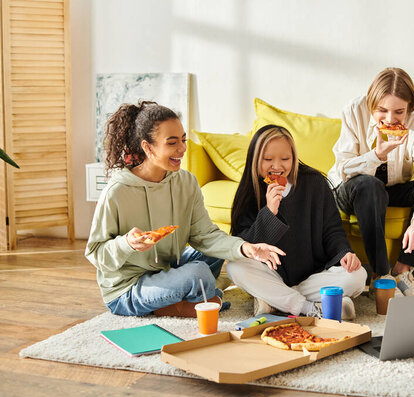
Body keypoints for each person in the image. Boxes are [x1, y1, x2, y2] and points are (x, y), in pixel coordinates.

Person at [85, 101, 284, 317]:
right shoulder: (117, 192)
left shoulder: (186, 182)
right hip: (127, 288)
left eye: (183, 140)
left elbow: (206, 236)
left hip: (166, 269)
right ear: (148, 147)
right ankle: (193, 301)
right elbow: (96, 253)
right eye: (172, 143)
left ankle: (179, 301)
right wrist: (127, 244)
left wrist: (247, 248)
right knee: (198, 272)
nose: (182, 149)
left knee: (216, 252)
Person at [328, 67, 414, 296]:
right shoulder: (354, 111)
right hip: (352, 188)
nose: (390, 119)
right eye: (382, 110)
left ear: (410, 109)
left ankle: (403, 270)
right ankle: (380, 275)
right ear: (371, 104)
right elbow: (344, 169)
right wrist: (377, 155)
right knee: (370, 185)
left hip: (390, 188)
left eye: (399, 112)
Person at [226, 125, 367, 319]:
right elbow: (246, 247)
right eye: (268, 159)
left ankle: (275, 300)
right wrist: (269, 212)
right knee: (235, 268)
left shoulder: (314, 183)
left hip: (313, 275)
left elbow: (332, 230)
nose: (277, 166)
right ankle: (309, 308)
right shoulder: (249, 191)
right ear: (255, 160)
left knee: (358, 276)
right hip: (271, 274)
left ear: (294, 158)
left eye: (285, 159)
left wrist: (345, 252)